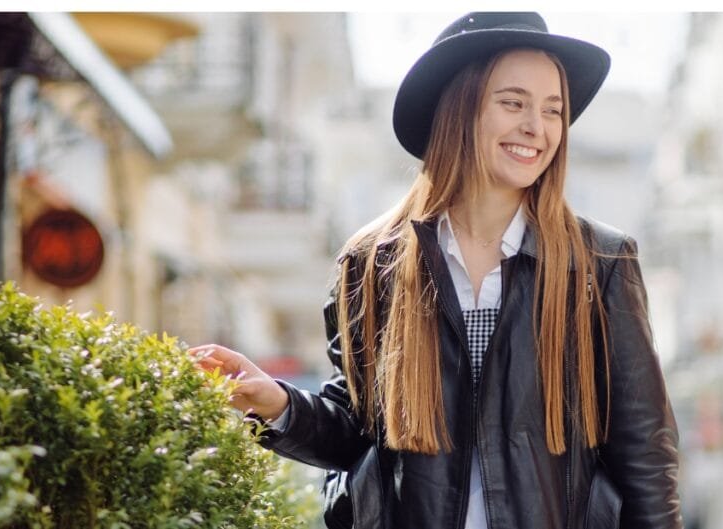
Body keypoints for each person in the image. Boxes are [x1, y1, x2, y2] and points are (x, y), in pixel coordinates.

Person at [190, 12, 681, 529]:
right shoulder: (371, 263)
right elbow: (359, 431)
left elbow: (645, 456)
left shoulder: (599, 263)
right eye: (513, 102)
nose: (537, 128)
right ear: (459, 109)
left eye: (553, 110)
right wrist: (278, 402)